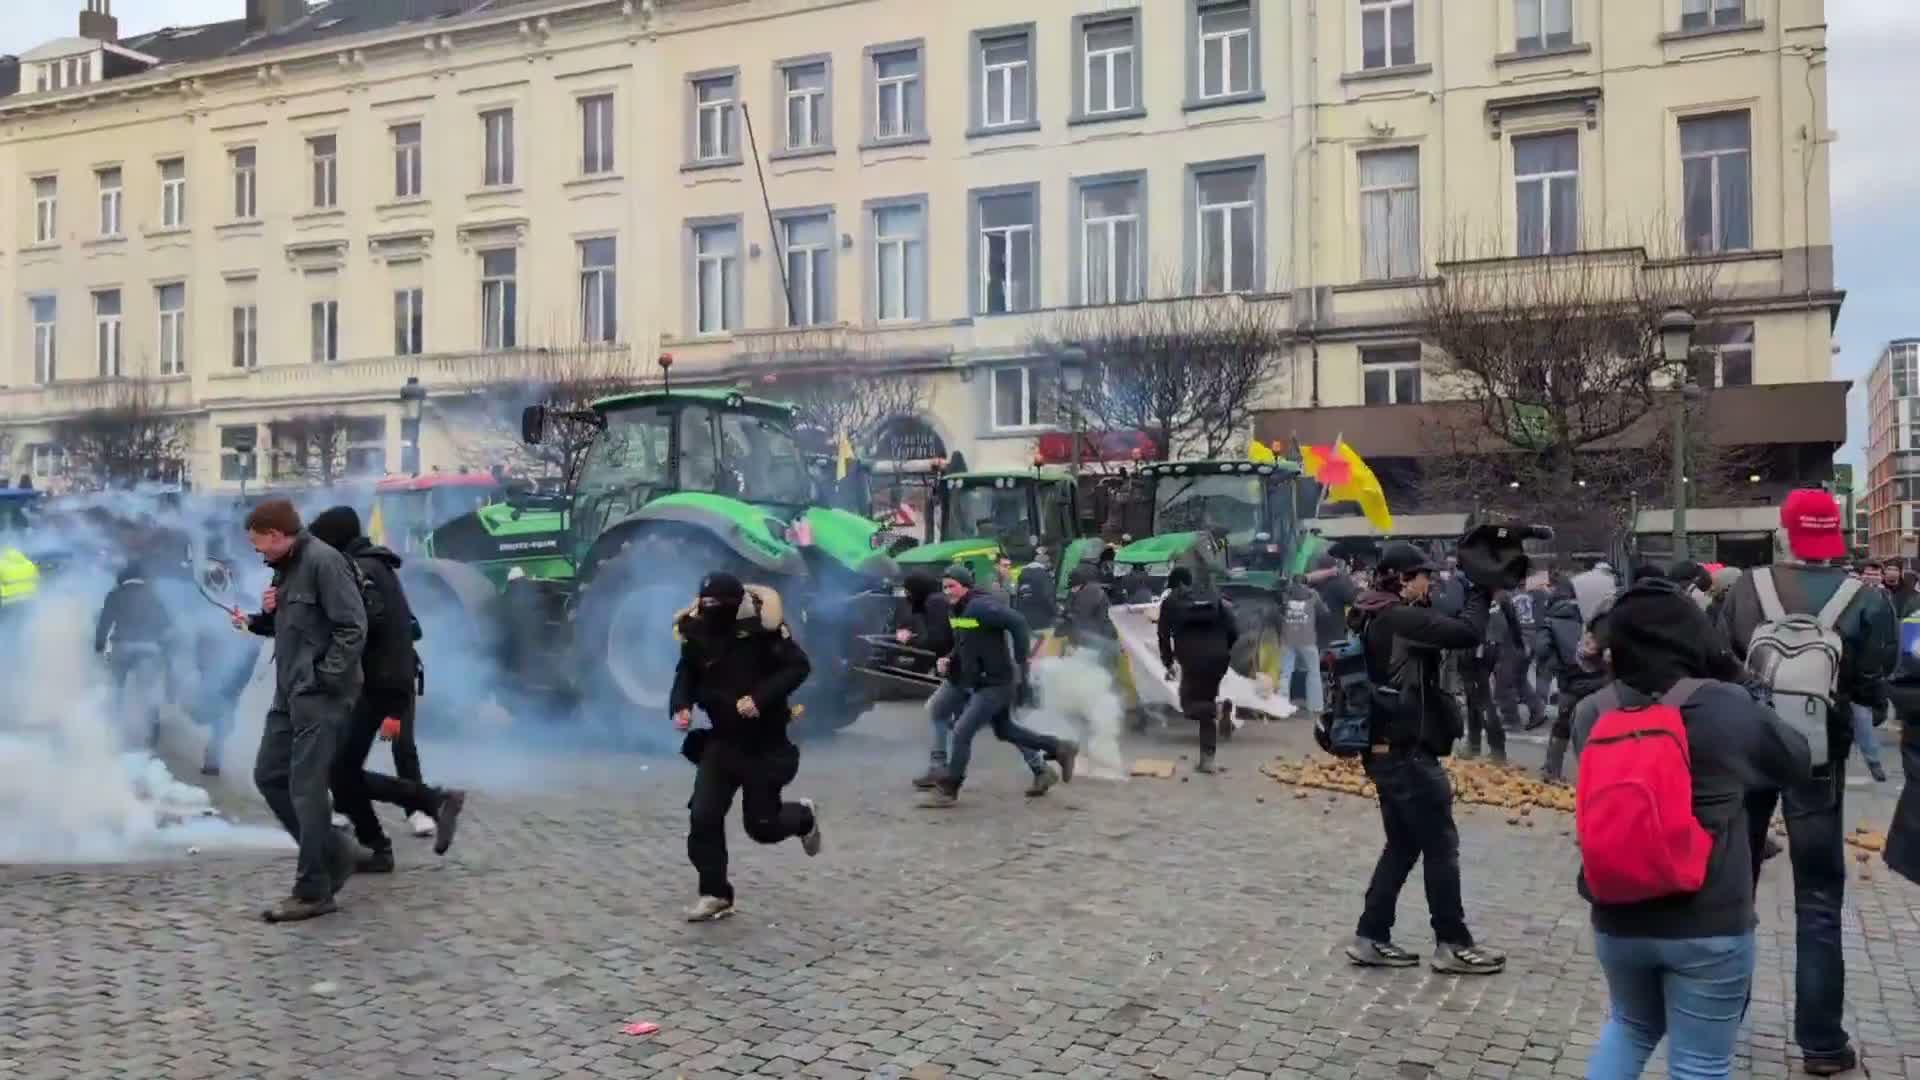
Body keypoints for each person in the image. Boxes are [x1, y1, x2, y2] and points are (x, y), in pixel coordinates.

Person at [1571, 579, 1811, 1079]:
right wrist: (1744, 683)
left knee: (1630, 1029)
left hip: (1619, 914)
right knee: (1701, 1062)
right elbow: (1796, 758)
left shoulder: (1593, 710)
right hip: (1708, 917)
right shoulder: (1723, 703)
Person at [1718, 489, 1898, 1076]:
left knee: (1733, 886)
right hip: (1819, 759)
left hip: (1748, 752)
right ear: (1836, 532)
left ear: (1787, 531)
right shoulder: (1866, 597)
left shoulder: (1746, 589)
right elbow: (1877, 685)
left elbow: (1717, 662)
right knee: (1818, 898)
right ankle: (1822, 1042)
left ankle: (1718, 1021)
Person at [1344, 543, 1504, 975]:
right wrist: (1482, 590)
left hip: (1385, 750)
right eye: (1423, 576)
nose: (1429, 583)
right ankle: (1452, 943)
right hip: (1408, 754)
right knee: (1440, 846)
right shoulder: (1398, 618)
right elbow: (1467, 632)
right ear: (1401, 578)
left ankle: (1371, 935)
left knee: (1403, 844)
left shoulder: (1371, 613)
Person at [308, 507, 466, 872]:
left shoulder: (359, 571)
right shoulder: (374, 565)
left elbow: (365, 631)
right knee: (342, 771)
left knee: (341, 770)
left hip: (378, 683)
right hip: (388, 680)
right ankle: (384, 841)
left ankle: (424, 807)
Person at [232, 499, 367, 924]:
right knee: (269, 774)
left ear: (276, 534)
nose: (260, 554)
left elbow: (352, 626)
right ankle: (336, 852)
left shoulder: (324, 562)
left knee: (306, 788)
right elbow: (297, 625)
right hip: (289, 693)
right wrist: (259, 619)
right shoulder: (287, 567)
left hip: (319, 694)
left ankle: (313, 889)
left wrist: (324, 678)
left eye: (260, 546)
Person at [671, 572, 821, 922]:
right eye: (704, 603)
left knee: (762, 826)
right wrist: (681, 705)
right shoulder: (695, 631)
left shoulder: (764, 630)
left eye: (716, 604)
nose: (709, 610)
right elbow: (686, 675)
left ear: (733, 603)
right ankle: (715, 894)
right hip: (721, 742)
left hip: (764, 743)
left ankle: (804, 817)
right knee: (703, 817)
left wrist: (760, 698)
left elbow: (798, 668)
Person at [918, 564, 1078, 808]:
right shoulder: (961, 611)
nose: (948, 591)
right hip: (977, 680)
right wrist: (950, 657)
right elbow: (966, 641)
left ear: (966, 586)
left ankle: (950, 787)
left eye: (952, 586)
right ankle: (1058, 748)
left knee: (962, 730)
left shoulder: (980, 606)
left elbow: (1018, 622)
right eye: (945, 587)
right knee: (1005, 731)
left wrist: (1022, 660)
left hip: (996, 682)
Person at [1159, 565, 1242, 774]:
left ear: (1178, 584)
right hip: (1217, 659)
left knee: (1189, 706)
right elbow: (1234, 629)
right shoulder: (1215, 598)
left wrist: (1168, 663)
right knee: (1204, 701)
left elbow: (1163, 636)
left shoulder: (1171, 603)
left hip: (1191, 659)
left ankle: (1218, 709)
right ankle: (1207, 760)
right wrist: (1224, 649)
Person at [1538, 580, 1610, 785]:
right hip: (1599, 680)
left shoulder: (1550, 622)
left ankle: (1552, 771)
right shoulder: (1592, 617)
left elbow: (1542, 650)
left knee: (1563, 726)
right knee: (1598, 726)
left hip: (1570, 683)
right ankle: (1597, 775)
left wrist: (1558, 666)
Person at [95, 562, 173, 749]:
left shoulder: (115, 594)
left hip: (122, 646)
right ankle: (152, 732)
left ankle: (112, 730)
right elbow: (166, 624)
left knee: (116, 689)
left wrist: (99, 645)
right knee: (149, 692)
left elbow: (105, 621)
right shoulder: (154, 596)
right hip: (149, 649)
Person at [1277, 574, 1327, 718]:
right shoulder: (1313, 596)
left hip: (1288, 638)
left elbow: (1279, 611)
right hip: (1307, 639)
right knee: (1313, 672)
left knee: (1285, 673)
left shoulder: (1285, 596)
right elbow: (1324, 613)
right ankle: (1315, 706)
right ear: (1307, 583)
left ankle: (1281, 706)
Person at [1012, 547, 1057, 635]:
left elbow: (1017, 597)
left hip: (1025, 619)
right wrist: (1055, 612)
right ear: (1045, 562)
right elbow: (1048, 597)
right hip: (1042, 620)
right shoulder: (1043, 575)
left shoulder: (1022, 574)